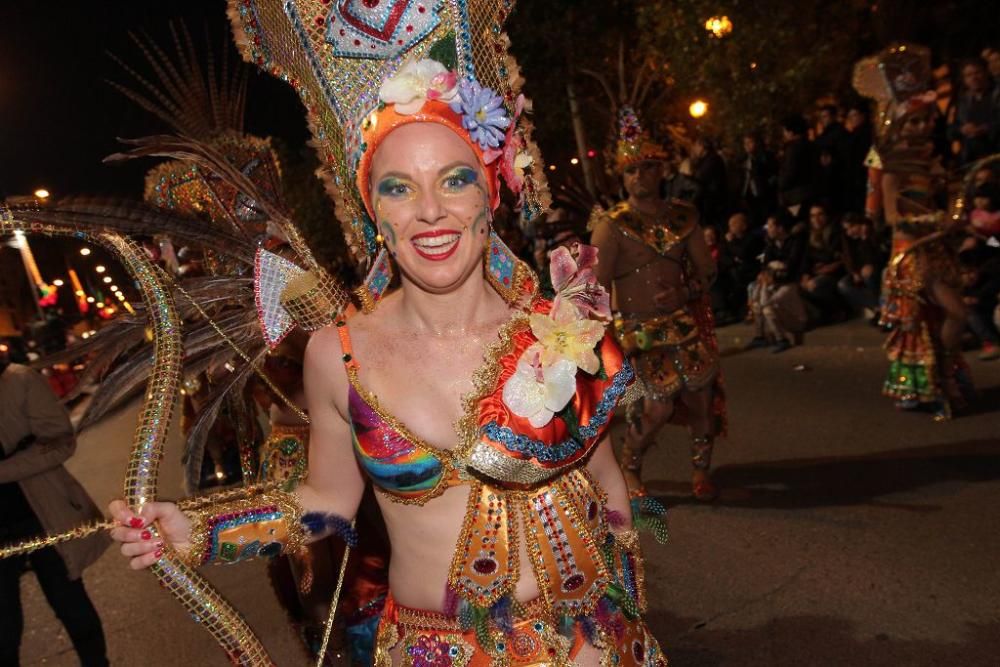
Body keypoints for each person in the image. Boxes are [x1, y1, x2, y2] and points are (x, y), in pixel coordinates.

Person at [109, 9, 668, 665]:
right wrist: (201, 529)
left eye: (454, 179)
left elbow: (609, 484)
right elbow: (325, 501)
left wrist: (622, 623)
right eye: (398, 189)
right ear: (375, 212)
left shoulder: (562, 329)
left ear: (490, 191)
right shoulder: (336, 353)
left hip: (594, 643)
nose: (430, 211)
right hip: (438, 650)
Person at [590, 105, 725, 502]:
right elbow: (595, 288)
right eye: (631, 170)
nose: (639, 176)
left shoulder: (684, 218)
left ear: (661, 171)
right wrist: (605, 341)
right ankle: (630, 465)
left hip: (682, 323)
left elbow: (707, 272)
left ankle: (701, 471)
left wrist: (686, 292)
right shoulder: (612, 225)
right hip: (636, 329)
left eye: (647, 168)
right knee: (657, 409)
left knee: (703, 401)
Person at [855, 43, 973, 418]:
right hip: (912, 253)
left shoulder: (929, 164)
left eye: (926, 121)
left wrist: (954, 202)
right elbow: (891, 218)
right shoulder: (893, 168)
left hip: (936, 250)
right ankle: (939, 379)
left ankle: (943, 375)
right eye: (915, 122)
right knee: (950, 315)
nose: (924, 127)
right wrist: (936, 221)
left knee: (948, 317)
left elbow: (952, 196)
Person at [0, 349, 110, 666]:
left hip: (40, 518)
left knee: (71, 606)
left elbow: (61, 441)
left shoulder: (18, 380)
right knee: (5, 630)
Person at [948, 58, 999, 166]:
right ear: (964, 80)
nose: (974, 78)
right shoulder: (962, 101)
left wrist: (985, 129)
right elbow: (950, 129)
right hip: (970, 159)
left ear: (986, 73)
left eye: (977, 73)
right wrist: (962, 129)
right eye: (968, 75)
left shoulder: (996, 96)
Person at [800, 204, 845, 322]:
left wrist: (821, 265)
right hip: (816, 272)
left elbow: (833, 257)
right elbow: (806, 258)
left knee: (816, 285)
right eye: (813, 216)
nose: (816, 219)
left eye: (820, 215)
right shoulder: (810, 235)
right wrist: (805, 275)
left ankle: (837, 311)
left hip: (835, 272)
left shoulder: (835, 232)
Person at [837, 213, 883, 320]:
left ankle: (881, 311)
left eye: (852, 227)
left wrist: (865, 238)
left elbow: (878, 256)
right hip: (858, 271)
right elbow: (848, 258)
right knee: (843, 285)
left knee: (869, 276)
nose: (849, 232)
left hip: (876, 267)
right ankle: (878, 308)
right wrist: (854, 272)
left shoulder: (872, 234)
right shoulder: (848, 239)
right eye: (847, 229)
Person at [777, 114, 817, 218]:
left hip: (796, 196)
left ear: (791, 132)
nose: (784, 134)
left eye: (784, 131)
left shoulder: (794, 149)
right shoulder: (811, 145)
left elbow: (790, 173)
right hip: (809, 192)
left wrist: (780, 184)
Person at [739, 131, 777, 228]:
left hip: (764, 195)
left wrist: (767, 186)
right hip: (751, 197)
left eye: (750, 142)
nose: (747, 145)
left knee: (767, 221)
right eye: (745, 143)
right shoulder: (744, 159)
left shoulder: (766, 156)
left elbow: (773, 174)